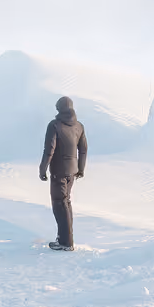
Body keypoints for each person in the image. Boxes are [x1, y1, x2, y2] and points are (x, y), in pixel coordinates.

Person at [39, 95, 87, 251]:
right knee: (66, 203)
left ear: (59, 108)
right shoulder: (79, 126)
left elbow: (49, 150)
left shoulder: (54, 125)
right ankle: (64, 239)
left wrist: (42, 168)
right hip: (72, 172)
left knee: (59, 205)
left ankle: (66, 243)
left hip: (58, 171)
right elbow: (84, 149)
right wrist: (80, 169)